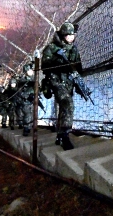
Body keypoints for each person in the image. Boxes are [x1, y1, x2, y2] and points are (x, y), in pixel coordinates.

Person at [41, 22, 85, 150]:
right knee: (67, 104)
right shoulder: (52, 48)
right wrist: (60, 62)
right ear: (63, 35)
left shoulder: (73, 49)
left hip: (69, 82)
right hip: (56, 81)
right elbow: (45, 65)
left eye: (73, 35)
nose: (71, 37)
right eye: (69, 35)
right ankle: (65, 135)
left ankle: (60, 135)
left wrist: (78, 83)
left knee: (64, 108)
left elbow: (78, 67)